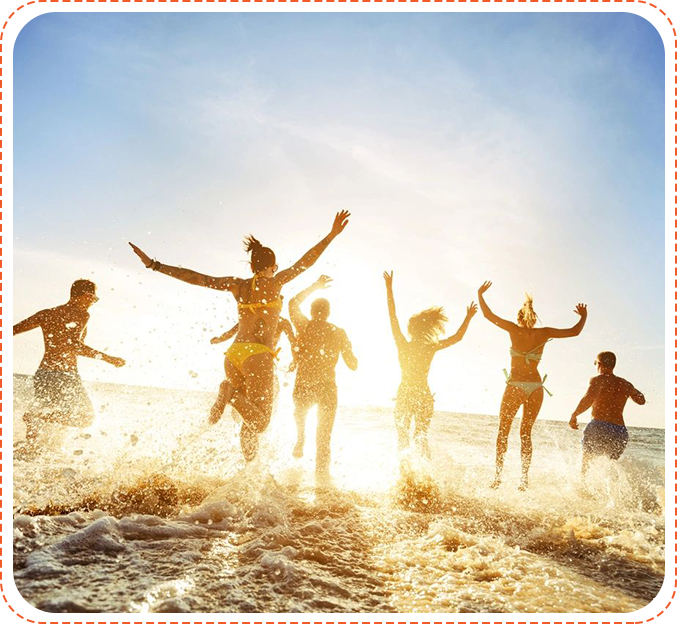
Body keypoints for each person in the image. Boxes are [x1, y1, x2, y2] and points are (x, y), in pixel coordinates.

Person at [129, 210, 350, 461]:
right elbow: (306, 262)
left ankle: (248, 472)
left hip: (233, 355)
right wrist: (331, 235)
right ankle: (229, 393)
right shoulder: (276, 283)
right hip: (258, 356)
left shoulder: (237, 285)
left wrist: (154, 265)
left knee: (249, 420)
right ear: (271, 267)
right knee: (261, 423)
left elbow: (198, 278)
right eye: (276, 267)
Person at [477, 280, 587, 490]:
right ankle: (524, 480)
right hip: (536, 388)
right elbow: (575, 332)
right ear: (534, 319)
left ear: (519, 318)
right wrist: (584, 317)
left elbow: (488, 315)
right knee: (525, 433)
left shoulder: (513, 329)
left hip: (516, 385)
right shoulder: (543, 333)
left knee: (503, 431)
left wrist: (480, 294)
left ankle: (497, 478)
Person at [12, 279, 126, 454]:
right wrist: (108, 358)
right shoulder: (82, 315)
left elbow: (11, 330)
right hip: (64, 375)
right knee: (86, 418)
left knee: (43, 414)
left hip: (43, 374)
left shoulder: (46, 314)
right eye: (93, 299)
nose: (92, 303)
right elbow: (74, 346)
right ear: (85, 296)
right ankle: (35, 419)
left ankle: (30, 452)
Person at [384, 271, 476, 459]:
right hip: (423, 394)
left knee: (403, 437)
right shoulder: (430, 348)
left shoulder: (402, 344)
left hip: (405, 393)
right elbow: (457, 337)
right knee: (421, 437)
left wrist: (388, 288)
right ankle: (426, 478)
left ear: (410, 330)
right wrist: (468, 317)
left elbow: (392, 316)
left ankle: (405, 477)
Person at [288, 275, 358, 475]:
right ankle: (322, 483)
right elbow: (352, 365)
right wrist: (349, 351)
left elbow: (292, 303)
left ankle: (300, 436)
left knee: (300, 413)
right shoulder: (338, 332)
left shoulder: (305, 325)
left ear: (311, 312)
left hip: (304, 383)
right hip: (327, 387)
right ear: (328, 313)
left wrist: (315, 286)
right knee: (323, 439)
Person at [569, 351, 645, 476]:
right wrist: (628, 390)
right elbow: (641, 400)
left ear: (599, 364)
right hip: (620, 431)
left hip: (599, 426)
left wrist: (574, 414)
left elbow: (588, 398)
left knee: (585, 466)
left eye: (595, 363)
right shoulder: (625, 384)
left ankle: (583, 491)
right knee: (611, 468)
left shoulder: (597, 380)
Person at [209, 316, 296, 420]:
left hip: (234, 355)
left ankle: (211, 421)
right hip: (259, 360)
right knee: (259, 407)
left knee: (239, 395)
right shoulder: (281, 322)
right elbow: (293, 343)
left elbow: (231, 332)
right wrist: (294, 361)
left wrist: (218, 339)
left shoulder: (249, 317)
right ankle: (247, 430)